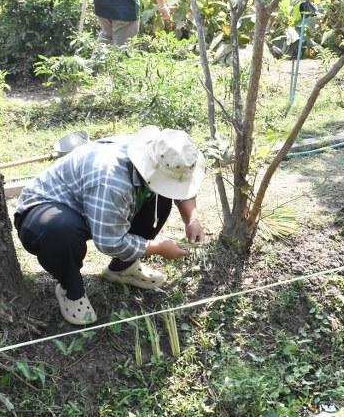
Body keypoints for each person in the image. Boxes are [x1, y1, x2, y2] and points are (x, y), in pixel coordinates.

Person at [14, 126, 206, 325]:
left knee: (160, 199)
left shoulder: (161, 154)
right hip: (47, 208)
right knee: (60, 232)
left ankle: (122, 269)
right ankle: (71, 290)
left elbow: (180, 185)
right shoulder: (112, 180)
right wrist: (157, 248)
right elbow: (108, 241)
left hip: (98, 203)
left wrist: (191, 219)